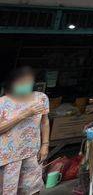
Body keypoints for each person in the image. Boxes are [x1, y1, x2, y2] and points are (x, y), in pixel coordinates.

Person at [0, 66, 50, 195]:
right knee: (9, 191)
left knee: (33, 189)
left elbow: (45, 122)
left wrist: (45, 145)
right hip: (8, 157)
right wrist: (24, 114)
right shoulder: (3, 103)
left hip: (32, 152)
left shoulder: (41, 98)